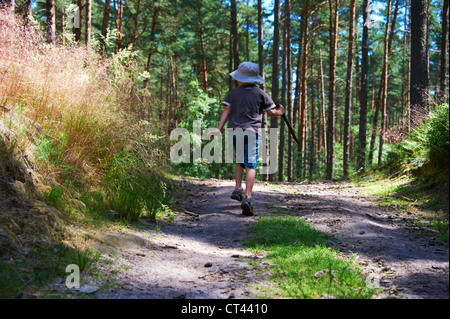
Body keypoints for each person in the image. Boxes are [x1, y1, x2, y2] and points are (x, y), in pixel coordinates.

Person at [206, 62, 285, 216]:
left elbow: (227, 110)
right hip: (252, 132)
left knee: (239, 160)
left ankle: (237, 188)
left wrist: (218, 128)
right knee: (251, 165)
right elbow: (271, 113)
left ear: (240, 78)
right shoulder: (260, 93)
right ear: (255, 79)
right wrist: (280, 112)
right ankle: (248, 197)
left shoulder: (233, 93)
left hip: (234, 131)